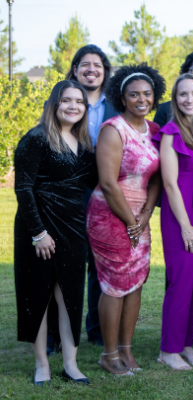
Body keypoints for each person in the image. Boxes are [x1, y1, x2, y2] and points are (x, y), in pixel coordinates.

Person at [15, 80, 98, 385]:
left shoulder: (86, 145)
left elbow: (100, 180)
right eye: (66, 100)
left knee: (70, 297)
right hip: (38, 228)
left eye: (79, 101)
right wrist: (38, 233)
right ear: (54, 104)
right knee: (37, 295)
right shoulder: (36, 139)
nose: (73, 106)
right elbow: (23, 188)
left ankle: (71, 364)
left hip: (73, 230)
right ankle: (41, 365)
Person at [87, 64, 166, 376]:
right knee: (114, 284)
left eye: (147, 94)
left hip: (139, 218)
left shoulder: (155, 131)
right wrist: (131, 221)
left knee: (135, 283)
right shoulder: (113, 129)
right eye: (134, 94)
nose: (141, 99)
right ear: (123, 97)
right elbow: (107, 183)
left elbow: (158, 177)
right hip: (109, 215)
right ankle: (108, 355)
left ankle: (126, 351)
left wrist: (145, 214)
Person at [47, 45, 118, 351]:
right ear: (75, 69)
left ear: (105, 71)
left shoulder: (116, 102)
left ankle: (97, 327)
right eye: (85, 64)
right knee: (63, 263)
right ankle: (55, 335)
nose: (92, 69)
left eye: (98, 65)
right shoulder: (64, 101)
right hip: (67, 192)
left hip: (105, 190)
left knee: (99, 263)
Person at [153, 74, 193, 370]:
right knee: (181, 283)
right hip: (182, 214)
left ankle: (186, 344)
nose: (189, 99)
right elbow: (169, 184)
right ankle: (169, 349)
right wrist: (186, 225)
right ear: (175, 99)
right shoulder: (170, 131)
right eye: (183, 95)